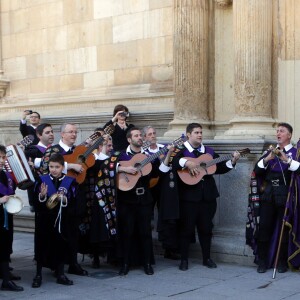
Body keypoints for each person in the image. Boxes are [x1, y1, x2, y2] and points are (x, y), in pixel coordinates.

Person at [165, 123, 240, 271]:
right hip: (188, 197)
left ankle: (207, 258)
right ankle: (184, 260)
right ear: (188, 134)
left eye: (201, 132)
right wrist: (187, 162)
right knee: (186, 229)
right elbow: (173, 161)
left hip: (207, 197)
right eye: (196, 132)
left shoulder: (209, 152)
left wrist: (233, 161)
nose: (200, 135)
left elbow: (219, 168)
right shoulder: (181, 150)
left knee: (206, 229)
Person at [40, 123, 88, 276]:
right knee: (57, 234)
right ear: (62, 134)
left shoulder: (77, 151)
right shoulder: (53, 150)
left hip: (74, 198)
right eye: (70, 132)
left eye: (75, 132)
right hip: (55, 200)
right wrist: (69, 165)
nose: (73, 134)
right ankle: (57, 265)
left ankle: (73, 263)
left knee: (73, 232)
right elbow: (45, 166)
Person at [253, 122, 300, 273]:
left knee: (283, 229)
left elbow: (298, 169)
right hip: (269, 194)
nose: (278, 133)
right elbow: (257, 170)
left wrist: (287, 159)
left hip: (285, 195)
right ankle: (262, 261)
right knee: (264, 227)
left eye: (282, 131)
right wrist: (267, 159)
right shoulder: (270, 152)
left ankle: (281, 262)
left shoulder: (295, 152)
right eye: (277, 131)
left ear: (289, 135)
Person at [32, 153, 79, 287]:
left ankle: (60, 274)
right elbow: (36, 202)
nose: (54, 169)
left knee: (60, 246)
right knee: (41, 246)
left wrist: (65, 199)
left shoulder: (70, 181)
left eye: (57, 167)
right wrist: (41, 196)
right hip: (45, 219)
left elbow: (74, 200)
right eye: (51, 166)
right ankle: (38, 274)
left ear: (62, 167)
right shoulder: (42, 180)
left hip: (62, 220)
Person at [142, 125, 180, 260]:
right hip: (149, 186)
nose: (152, 136)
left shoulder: (163, 148)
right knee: (146, 216)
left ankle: (169, 248)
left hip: (164, 186)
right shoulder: (142, 151)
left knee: (167, 216)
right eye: (149, 134)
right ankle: (146, 250)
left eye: (154, 133)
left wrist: (170, 152)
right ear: (145, 137)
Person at [0, 144, 24, 292]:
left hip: (6, 216)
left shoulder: (5, 175)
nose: (2, 160)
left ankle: (5, 273)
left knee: (6, 244)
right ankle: (6, 280)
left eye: (3, 157)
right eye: (0, 157)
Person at [25, 123, 54, 212]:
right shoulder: (31, 151)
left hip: (55, 193)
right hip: (39, 193)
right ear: (39, 135)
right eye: (47, 132)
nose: (51, 134)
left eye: (52, 132)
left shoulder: (56, 150)